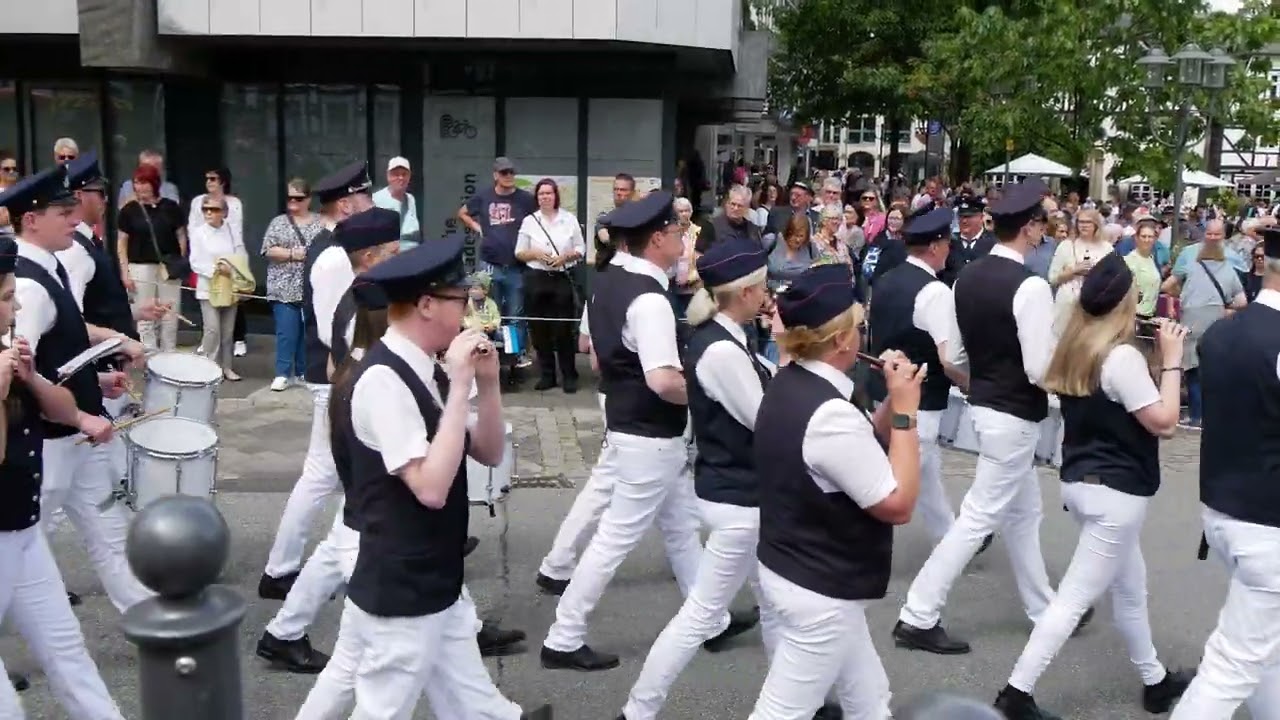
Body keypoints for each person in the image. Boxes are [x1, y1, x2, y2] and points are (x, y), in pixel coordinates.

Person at [294, 239, 551, 720]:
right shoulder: (384, 380)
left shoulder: (423, 367)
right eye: (460, 300)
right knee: (382, 709)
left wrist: (488, 384)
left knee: (469, 695)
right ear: (427, 304)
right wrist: (458, 386)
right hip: (404, 579)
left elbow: (490, 451)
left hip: (432, 576)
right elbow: (430, 488)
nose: (470, 309)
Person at [540, 191, 755, 672]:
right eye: (677, 231)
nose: (683, 236)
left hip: (632, 425)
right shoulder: (650, 299)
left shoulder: (609, 281)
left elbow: (598, 357)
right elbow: (662, 378)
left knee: (680, 530)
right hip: (649, 434)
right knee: (615, 540)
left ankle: (711, 621)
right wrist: (708, 394)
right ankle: (564, 634)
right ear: (657, 239)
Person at [893, 183, 1092, 655]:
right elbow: (1038, 368)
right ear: (1028, 229)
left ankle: (1044, 608)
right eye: (1041, 224)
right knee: (978, 518)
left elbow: (957, 354)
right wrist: (1079, 375)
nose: (1044, 231)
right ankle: (917, 613)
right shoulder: (1029, 286)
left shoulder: (966, 279)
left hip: (986, 406)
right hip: (1013, 413)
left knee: (1023, 514)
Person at [994, 253, 1194, 719]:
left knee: (1130, 587)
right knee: (1072, 600)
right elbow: (1164, 422)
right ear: (1128, 300)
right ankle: (1015, 694)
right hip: (1115, 491)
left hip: (1085, 481)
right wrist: (1173, 361)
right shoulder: (1120, 357)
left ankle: (1155, 680)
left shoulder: (1075, 344)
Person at [747, 262, 925, 719]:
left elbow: (859, 442)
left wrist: (891, 397)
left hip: (796, 569)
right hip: (820, 588)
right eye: (859, 325)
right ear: (843, 339)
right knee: (781, 712)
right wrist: (906, 413)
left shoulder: (795, 381)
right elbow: (898, 503)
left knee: (869, 698)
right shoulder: (827, 413)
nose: (865, 334)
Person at [620, 237, 780, 720]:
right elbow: (766, 419)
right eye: (762, 284)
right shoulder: (721, 349)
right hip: (737, 499)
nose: (768, 290)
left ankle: (797, 701)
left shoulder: (727, 338)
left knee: (777, 607)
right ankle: (638, 709)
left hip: (739, 493)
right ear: (746, 293)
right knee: (701, 615)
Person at [3, 164, 152, 616]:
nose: (75, 217)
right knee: (23, 543)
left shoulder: (47, 267)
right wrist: (79, 414)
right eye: (63, 211)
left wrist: (95, 380)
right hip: (49, 443)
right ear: (31, 220)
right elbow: (16, 373)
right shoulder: (28, 280)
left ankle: (150, 619)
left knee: (108, 528)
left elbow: (53, 348)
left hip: (75, 437)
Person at [255, 206, 399, 670]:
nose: (401, 258)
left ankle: (284, 629)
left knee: (343, 538)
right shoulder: (365, 303)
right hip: (367, 427)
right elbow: (348, 367)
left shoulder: (361, 296)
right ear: (372, 255)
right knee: (385, 529)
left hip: (359, 422)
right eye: (395, 251)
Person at [0, 235, 126, 719]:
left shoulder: (9, 348)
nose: (14, 311)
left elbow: (64, 410)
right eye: (8, 298)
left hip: (24, 529)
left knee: (67, 650)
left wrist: (29, 377)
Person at [1170, 226, 1280, 719]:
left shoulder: (1223, 334)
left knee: (1265, 652)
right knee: (1231, 667)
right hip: (1267, 523)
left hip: (1222, 508)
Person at [260, 160, 374, 600]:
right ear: (346, 205)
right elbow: (333, 328)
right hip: (335, 378)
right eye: (364, 198)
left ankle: (285, 569)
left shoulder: (335, 247)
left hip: (337, 376)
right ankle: (286, 570)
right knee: (327, 475)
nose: (368, 205)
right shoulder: (331, 257)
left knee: (329, 475)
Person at [866, 207, 977, 548]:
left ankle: (950, 535)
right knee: (900, 479)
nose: (949, 250)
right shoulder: (935, 292)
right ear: (934, 246)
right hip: (919, 400)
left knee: (925, 473)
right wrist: (972, 385)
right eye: (947, 244)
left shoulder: (886, 280)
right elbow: (949, 358)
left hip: (882, 390)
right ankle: (859, 538)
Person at [534, 227, 632, 595]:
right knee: (608, 487)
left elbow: (587, 348)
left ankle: (703, 592)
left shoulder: (602, 285)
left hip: (621, 395)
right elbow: (591, 351)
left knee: (676, 511)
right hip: (631, 400)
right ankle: (560, 566)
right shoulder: (629, 288)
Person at [941, 195, 994, 286]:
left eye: (969, 217)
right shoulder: (948, 243)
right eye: (961, 217)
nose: (964, 221)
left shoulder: (993, 243)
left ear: (981, 218)